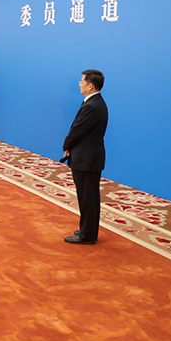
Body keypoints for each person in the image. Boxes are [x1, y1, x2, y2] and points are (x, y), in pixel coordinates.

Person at [62, 69, 109, 245]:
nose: (79, 83)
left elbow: (78, 130)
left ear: (90, 86)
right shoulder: (93, 102)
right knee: (87, 196)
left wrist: (67, 146)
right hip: (87, 156)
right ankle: (86, 229)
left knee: (88, 198)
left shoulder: (92, 106)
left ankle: (87, 235)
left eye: (82, 81)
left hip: (87, 158)